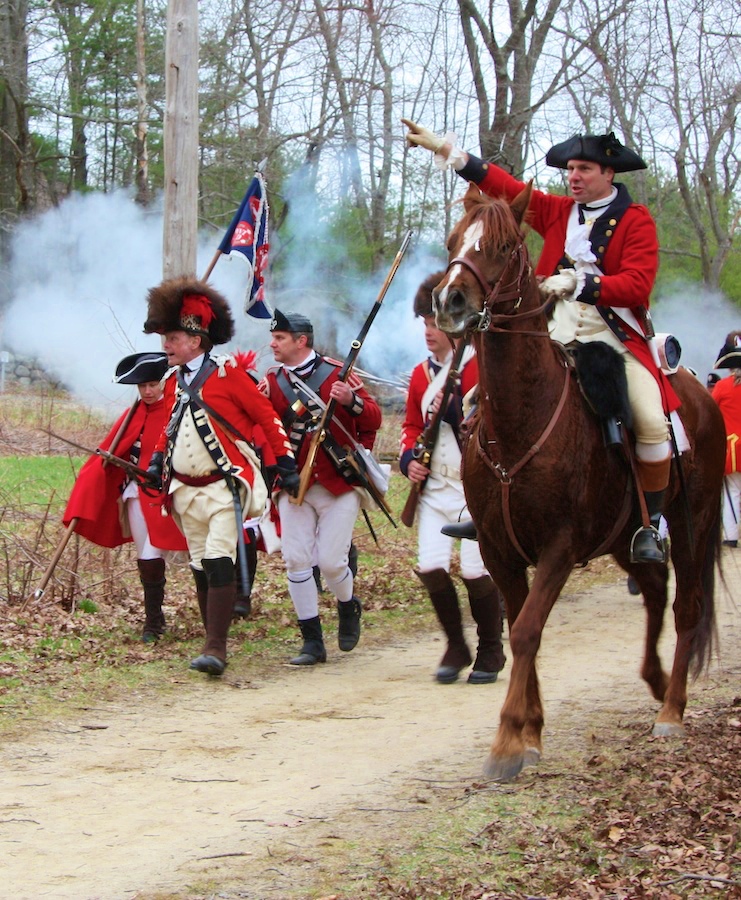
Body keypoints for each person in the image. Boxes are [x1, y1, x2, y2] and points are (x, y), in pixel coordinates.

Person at [402, 118, 681, 563]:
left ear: (609, 174)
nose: (574, 177)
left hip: (612, 336)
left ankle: (651, 525)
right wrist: (446, 151)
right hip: (552, 332)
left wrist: (579, 283)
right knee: (477, 404)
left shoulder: (636, 221)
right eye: (570, 169)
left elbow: (637, 285)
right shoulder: (556, 211)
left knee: (651, 423)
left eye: (584, 169)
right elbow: (501, 185)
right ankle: (487, 508)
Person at [143, 277, 299, 677]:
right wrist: (159, 460)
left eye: (172, 337)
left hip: (226, 484)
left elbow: (267, 416)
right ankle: (210, 640)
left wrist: (285, 463)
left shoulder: (229, 375)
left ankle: (216, 648)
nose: (166, 345)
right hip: (185, 491)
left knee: (217, 559)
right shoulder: (177, 381)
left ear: (195, 340)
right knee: (199, 564)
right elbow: (172, 425)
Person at [259, 309, 382, 666]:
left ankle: (347, 604)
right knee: (296, 560)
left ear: (301, 341)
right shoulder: (272, 380)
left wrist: (350, 401)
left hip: (337, 482)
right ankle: (311, 641)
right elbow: (265, 428)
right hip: (293, 483)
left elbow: (373, 417)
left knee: (330, 562)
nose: (273, 343)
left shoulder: (337, 372)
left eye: (280, 338)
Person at [400, 272, 505, 684]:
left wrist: (458, 413)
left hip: (474, 484)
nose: (428, 331)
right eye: (424, 324)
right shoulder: (419, 375)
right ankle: (455, 645)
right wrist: (409, 457)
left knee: (477, 572)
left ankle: (491, 649)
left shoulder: (482, 366)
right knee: (430, 566)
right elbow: (410, 425)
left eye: (433, 323)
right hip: (434, 487)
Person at [62, 351, 188, 642]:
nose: (147, 391)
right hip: (137, 494)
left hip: (173, 493)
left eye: (153, 384)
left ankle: (215, 613)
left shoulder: (177, 409)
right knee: (147, 554)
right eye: (142, 386)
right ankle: (154, 623)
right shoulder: (132, 414)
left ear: (164, 383)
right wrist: (93, 476)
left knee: (198, 553)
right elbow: (111, 450)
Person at [709, 331, 741, 548]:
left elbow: (710, 412)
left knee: (733, 491)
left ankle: (731, 536)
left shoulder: (722, 386)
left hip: (733, 447)